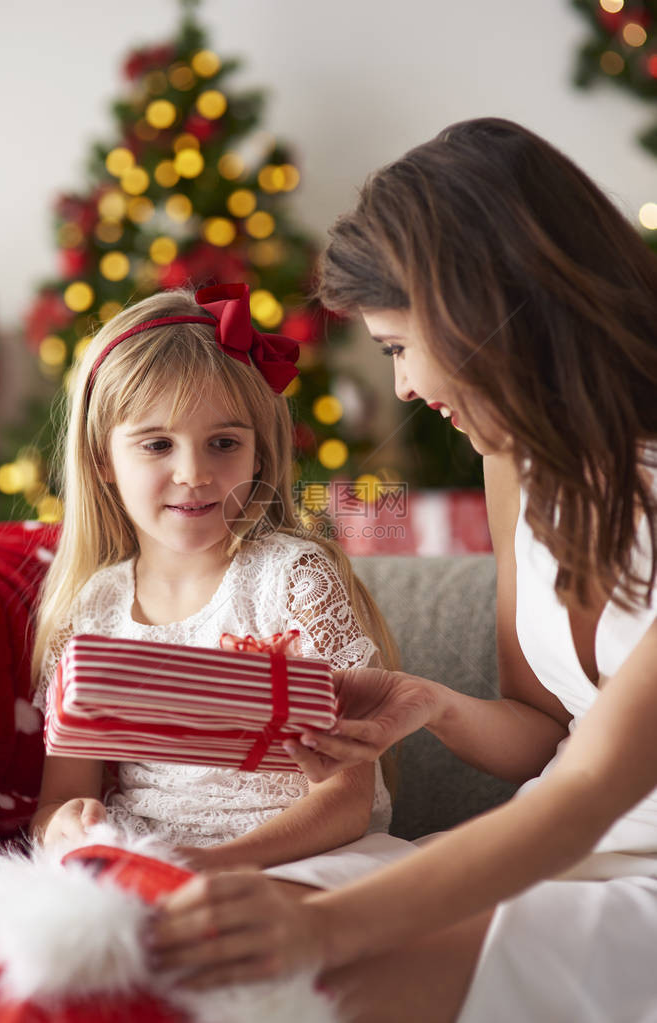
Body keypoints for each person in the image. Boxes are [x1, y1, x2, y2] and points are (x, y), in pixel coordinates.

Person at [145, 118, 657, 1022]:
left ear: (483, 309)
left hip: (618, 874)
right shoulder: (518, 465)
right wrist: (434, 706)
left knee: (305, 968)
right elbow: (547, 736)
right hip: (547, 847)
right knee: (196, 938)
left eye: (395, 347)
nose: (404, 389)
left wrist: (325, 933)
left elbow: (585, 791)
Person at [30, 282, 406, 894]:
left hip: (305, 862)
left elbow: (347, 798)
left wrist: (214, 865)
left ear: (259, 455)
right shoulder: (90, 609)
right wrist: (67, 830)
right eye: (157, 444)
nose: (195, 473)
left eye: (224, 443)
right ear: (103, 461)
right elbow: (60, 801)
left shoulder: (293, 578)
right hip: (145, 867)